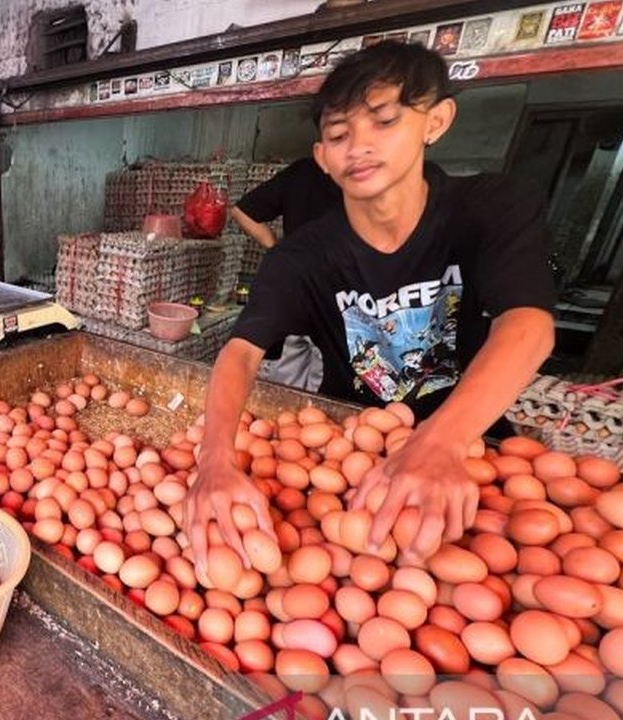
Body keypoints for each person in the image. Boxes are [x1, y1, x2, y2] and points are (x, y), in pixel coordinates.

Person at [186, 41, 556, 569]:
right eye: (339, 134)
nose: (359, 146)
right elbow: (241, 352)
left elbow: (529, 325)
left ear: (437, 120)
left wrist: (440, 442)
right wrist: (215, 460)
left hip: (469, 444)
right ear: (322, 158)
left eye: (384, 121)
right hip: (351, 452)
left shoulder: (491, 209)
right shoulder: (303, 258)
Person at [229, 157, 341, 392]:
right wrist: (280, 253)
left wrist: (278, 250)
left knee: (290, 370)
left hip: (298, 286)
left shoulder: (301, 171)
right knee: (329, 377)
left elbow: (242, 212)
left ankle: (292, 419)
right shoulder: (367, 177)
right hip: (339, 290)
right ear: (320, 149)